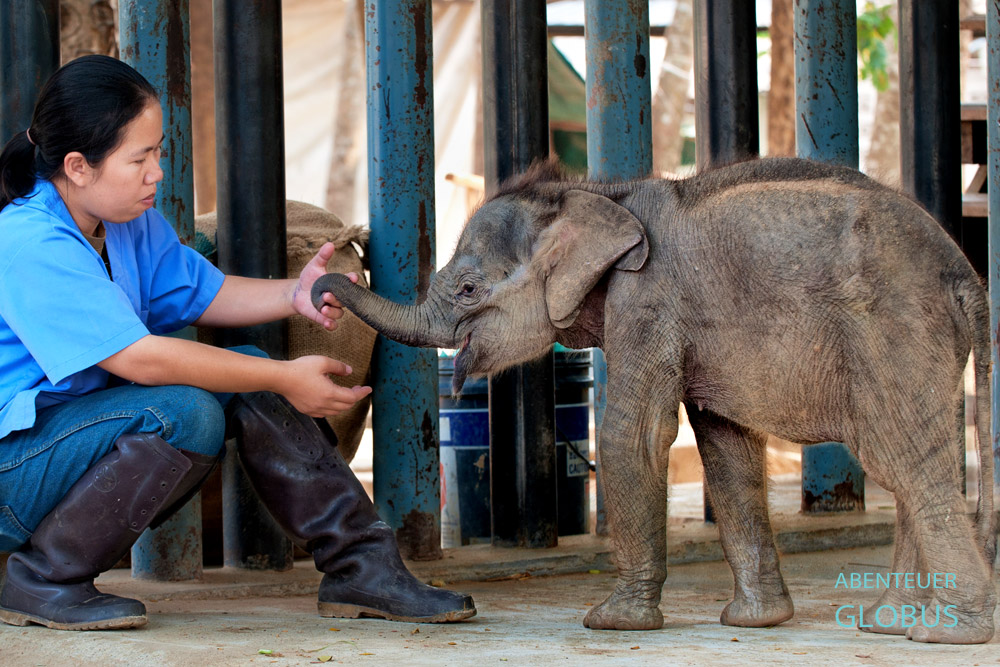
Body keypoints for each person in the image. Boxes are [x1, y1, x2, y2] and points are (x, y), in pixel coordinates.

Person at [0, 55, 475, 631]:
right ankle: (41, 580)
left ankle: (363, 567)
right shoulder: (29, 241)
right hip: (14, 470)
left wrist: (294, 294)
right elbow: (140, 359)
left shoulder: (124, 221)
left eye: (158, 152)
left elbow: (208, 292)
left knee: (242, 372)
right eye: (139, 158)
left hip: (69, 442)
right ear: (78, 166)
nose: (157, 173)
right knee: (183, 410)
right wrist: (284, 377)